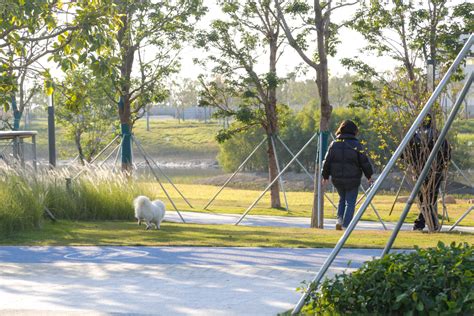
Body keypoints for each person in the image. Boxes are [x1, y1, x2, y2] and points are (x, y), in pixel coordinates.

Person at [322, 120, 374, 230]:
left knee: (342, 199)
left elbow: (327, 161)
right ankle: (346, 225)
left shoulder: (334, 144)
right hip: (352, 179)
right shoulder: (356, 145)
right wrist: (369, 176)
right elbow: (364, 162)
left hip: (337, 179)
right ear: (354, 131)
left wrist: (325, 176)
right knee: (350, 202)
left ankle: (339, 220)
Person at [403, 114, 451, 231]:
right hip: (436, 171)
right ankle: (429, 224)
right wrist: (442, 164)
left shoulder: (414, 136)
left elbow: (404, 154)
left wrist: (413, 163)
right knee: (430, 199)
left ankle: (423, 223)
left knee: (424, 198)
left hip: (419, 170)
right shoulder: (439, 135)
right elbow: (448, 153)